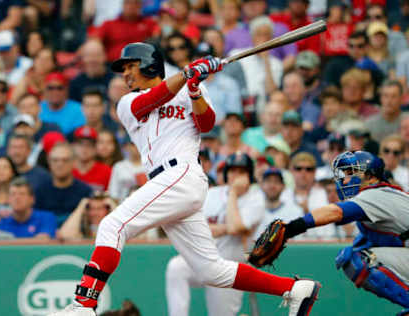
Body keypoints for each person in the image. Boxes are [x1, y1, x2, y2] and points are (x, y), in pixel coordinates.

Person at [49, 42, 320, 316]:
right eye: (124, 69)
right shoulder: (127, 103)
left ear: (149, 65)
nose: (126, 74)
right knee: (210, 270)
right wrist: (187, 74)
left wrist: (193, 88)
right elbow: (151, 100)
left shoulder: (192, 89)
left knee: (112, 226)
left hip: (182, 174)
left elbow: (207, 123)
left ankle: (83, 305)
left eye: (131, 66)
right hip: (167, 182)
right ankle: (294, 289)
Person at [269, 150, 409, 316]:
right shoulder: (381, 196)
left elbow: (336, 212)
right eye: (345, 173)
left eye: (351, 173)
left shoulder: (374, 193)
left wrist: (290, 228)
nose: (345, 179)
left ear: (371, 177)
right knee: (357, 250)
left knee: (358, 260)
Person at [165, 152, 265, 316]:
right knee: (176, 267)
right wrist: (227, 227)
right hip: (204, 259)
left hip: (231, 267)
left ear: (249, 175)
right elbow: (197, 228)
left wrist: (232, 193)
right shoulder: (212, 194)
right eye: (232, 171)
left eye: (242, 172)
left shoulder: (256, 198)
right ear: (226, 173)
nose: (236, 176)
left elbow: (235, 228)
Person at [34, 142, 93, 226]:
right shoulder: (39, 191)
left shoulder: (85, 192)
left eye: (65, 160)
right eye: (55, 160)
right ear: (49, 162)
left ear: (74, 162)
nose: (60, 164)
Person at [281, 152, 336, 239]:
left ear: (314, 172)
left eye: (308, 169)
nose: (303, 172)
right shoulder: (283, 196)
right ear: (291, 171)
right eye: (298, 168)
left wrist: (308, 214)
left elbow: (329, 233)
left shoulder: (324, 194)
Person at [91, 0, 158, 61]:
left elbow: (158, 37)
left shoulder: (149, 23)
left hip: (140, 64)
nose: (132, 6)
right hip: (113, 65)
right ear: (123, 5)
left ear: (140, 6)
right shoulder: (109, 24)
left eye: (136, 3)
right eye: (128, 3)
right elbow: (95, 40)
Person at [255, 167, 304, 238]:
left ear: (283, 186)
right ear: (261, 185)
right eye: (268, 181)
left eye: (276, 182)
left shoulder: (295, 211)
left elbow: (298, 243)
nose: (272, 185)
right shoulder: (253, 209)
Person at [72, 126, 112, 192]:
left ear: (95, 148)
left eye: (89, 145)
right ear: (73, 146)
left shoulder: (106, 171)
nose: (84, 149)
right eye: (80, 144)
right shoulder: (67, 169)